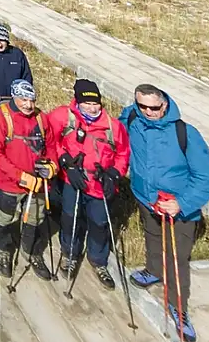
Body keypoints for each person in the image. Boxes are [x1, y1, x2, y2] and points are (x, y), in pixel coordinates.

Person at [123, 84, 209, 342]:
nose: (150, 112)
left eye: (155, 107)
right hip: (146, 198)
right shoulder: (131, 117)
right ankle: (153, 270)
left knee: (178, 259)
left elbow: (207, 179)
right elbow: (115, 133)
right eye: (143, 106)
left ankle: (179, 308)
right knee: (152, 236)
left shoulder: (185, 133)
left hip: (178, 207)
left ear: (165, 103)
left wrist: (181, 203)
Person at [51, 79, 130, 290]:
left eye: (95, 103)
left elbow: (122, 154)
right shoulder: (63, 116)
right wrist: (65, 162)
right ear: (77, 102)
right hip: (73, 179)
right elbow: (51, 140)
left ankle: (98, 260)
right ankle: (69, 254)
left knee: (99, 223)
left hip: (100, 183)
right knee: (70, 218)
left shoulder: (113, 126)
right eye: (86, 103)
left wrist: (114, 174)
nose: (92, 108)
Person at [0, 79, 59, 281]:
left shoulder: (41, 119)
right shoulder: (1, 117)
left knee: (36, 220)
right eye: (23, 99)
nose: (28, 105)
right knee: (3, 219)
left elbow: (51, 146)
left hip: (38, 184)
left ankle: (32, 252)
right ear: (14, 97)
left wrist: (52, 166)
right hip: (10, 184)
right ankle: (3, 251)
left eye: (32, 100)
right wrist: (20, 176)